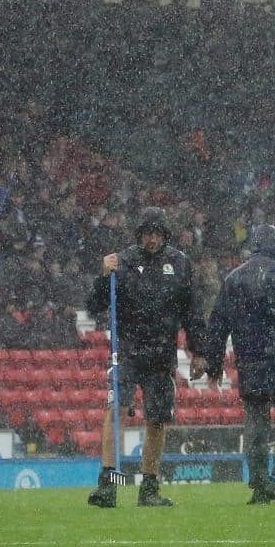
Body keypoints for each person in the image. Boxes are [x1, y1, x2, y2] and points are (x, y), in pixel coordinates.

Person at [196, 224, 275, 505]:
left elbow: (217, 326)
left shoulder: (233, 278)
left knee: (256, 425)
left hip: (250, 365)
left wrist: (214, 367)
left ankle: (259, 485)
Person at [86, 207, 205, 509]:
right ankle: (109, 485)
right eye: (147, 233)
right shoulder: (122, 262)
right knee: (116, 410)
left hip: (162, 353)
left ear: (165, 235)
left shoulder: (180, 264)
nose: (152, 239)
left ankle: (149, 488)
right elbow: (95, 305)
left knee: (157, 420)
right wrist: (104, 276)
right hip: (127, 351)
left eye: (157, 234)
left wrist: (198, 351)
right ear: (139, 235)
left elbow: (192, 312)